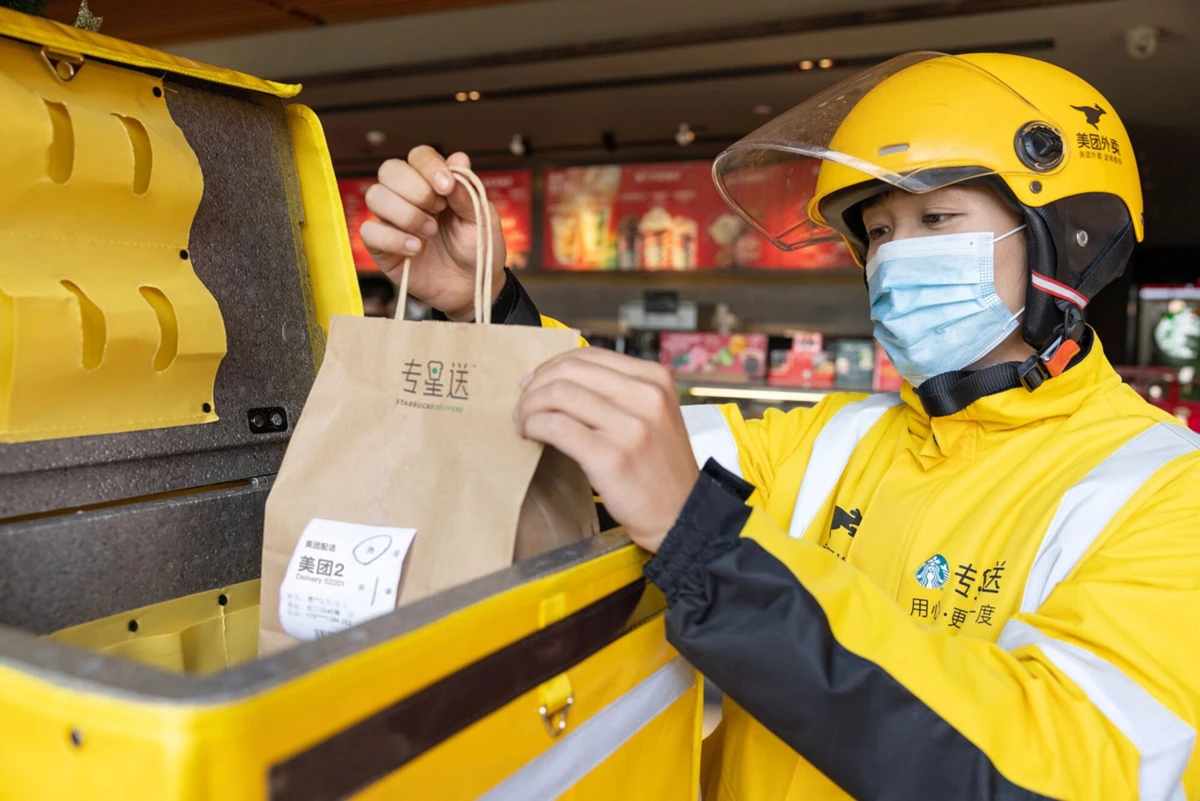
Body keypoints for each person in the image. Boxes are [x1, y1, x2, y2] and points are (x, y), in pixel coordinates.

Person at [363, 52, 1200, 800]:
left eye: (936, 220)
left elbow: (1072, 770)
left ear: (1069, 237)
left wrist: (708, 543)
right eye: (877, 233)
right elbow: (599, 454)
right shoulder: (836, 438)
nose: (894, 260)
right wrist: (488, 303)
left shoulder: (1165, 491)